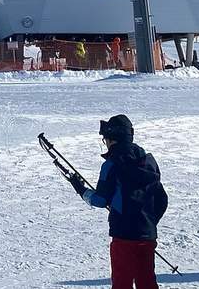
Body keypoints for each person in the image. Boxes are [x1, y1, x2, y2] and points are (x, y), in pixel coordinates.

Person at [70, 115, 167, 289]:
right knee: (147, 282)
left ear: (112, 138)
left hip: (123, 236)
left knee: (122, 283)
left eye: (105, 139)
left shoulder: (111, 164)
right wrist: (148, 222)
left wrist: (81, 189)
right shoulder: (148, 161)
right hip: (147, 234)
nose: (104, 142)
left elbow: (100, 200)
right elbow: (162, 199)